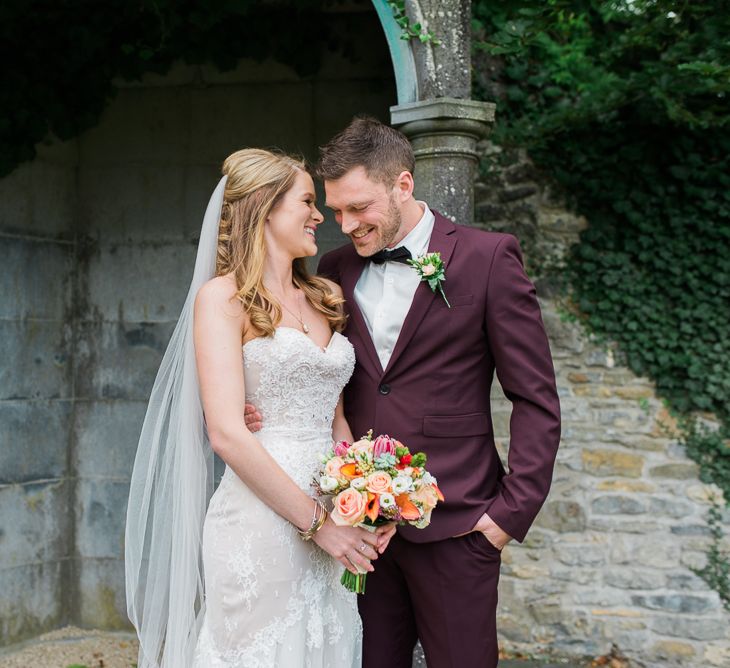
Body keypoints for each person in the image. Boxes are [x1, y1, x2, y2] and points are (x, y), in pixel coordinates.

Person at [245, 118, 562, 667]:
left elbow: (535, 397)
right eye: (336, 210)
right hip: (358, 529)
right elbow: (324, 376)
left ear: (404, 185)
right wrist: (262, 410)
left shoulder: (488, 260)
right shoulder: (334, 270)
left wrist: (508, 516)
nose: (344, 225)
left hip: (460, 524)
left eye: (358, 208)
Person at [125, 148, 395, 668]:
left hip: (331, 517)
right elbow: (227, 433)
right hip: (262, 520)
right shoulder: (223, 300)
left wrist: (365, 498)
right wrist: (321, 525)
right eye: (309, 201)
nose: (321, 216)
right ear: (266, 209)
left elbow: (335, 419)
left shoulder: (325, 297)